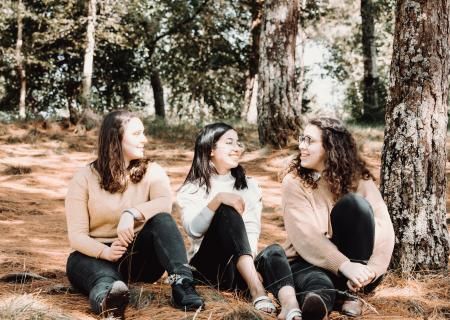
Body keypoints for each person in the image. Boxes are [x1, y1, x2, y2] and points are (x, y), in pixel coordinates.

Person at [65, 110, 203, 319]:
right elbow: (77, 236)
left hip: (138, 257)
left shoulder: (153, 171)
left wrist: (131, 213)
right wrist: (105, 252)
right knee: (103, 279)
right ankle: (109, 304)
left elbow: (165, 204)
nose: (144, 139)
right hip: (93, 256)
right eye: (137, 134)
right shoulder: (83, 178)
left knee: (162, 221)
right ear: (116, 138)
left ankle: (182, 284)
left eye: (143, 133)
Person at [259, 117, 395, 320]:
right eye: (301, 139)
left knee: (354, 205)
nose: (301, 146)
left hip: (361, 270)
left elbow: (384, 228)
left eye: (309, 141)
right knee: (317, 281)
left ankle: (351, 295)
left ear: (331, 146)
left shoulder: (358, 179)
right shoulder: (294, 182)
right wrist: (344, 266)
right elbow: (305, 235)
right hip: (312, 261)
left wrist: (369, 271)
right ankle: (318, 304)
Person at [177, 122, 280, 314]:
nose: (237, 148)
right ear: (210, 150)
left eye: (238, 143)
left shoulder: (249, 186)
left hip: (238, 271)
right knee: (226, 210)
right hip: (208, 270)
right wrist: (217, 200)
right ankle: (257, 290)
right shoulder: (192, 188)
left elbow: (251, 229)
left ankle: (288, 303)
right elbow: (193, 230)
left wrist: (249, 266)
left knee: (275, 252)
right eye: (230, 142)